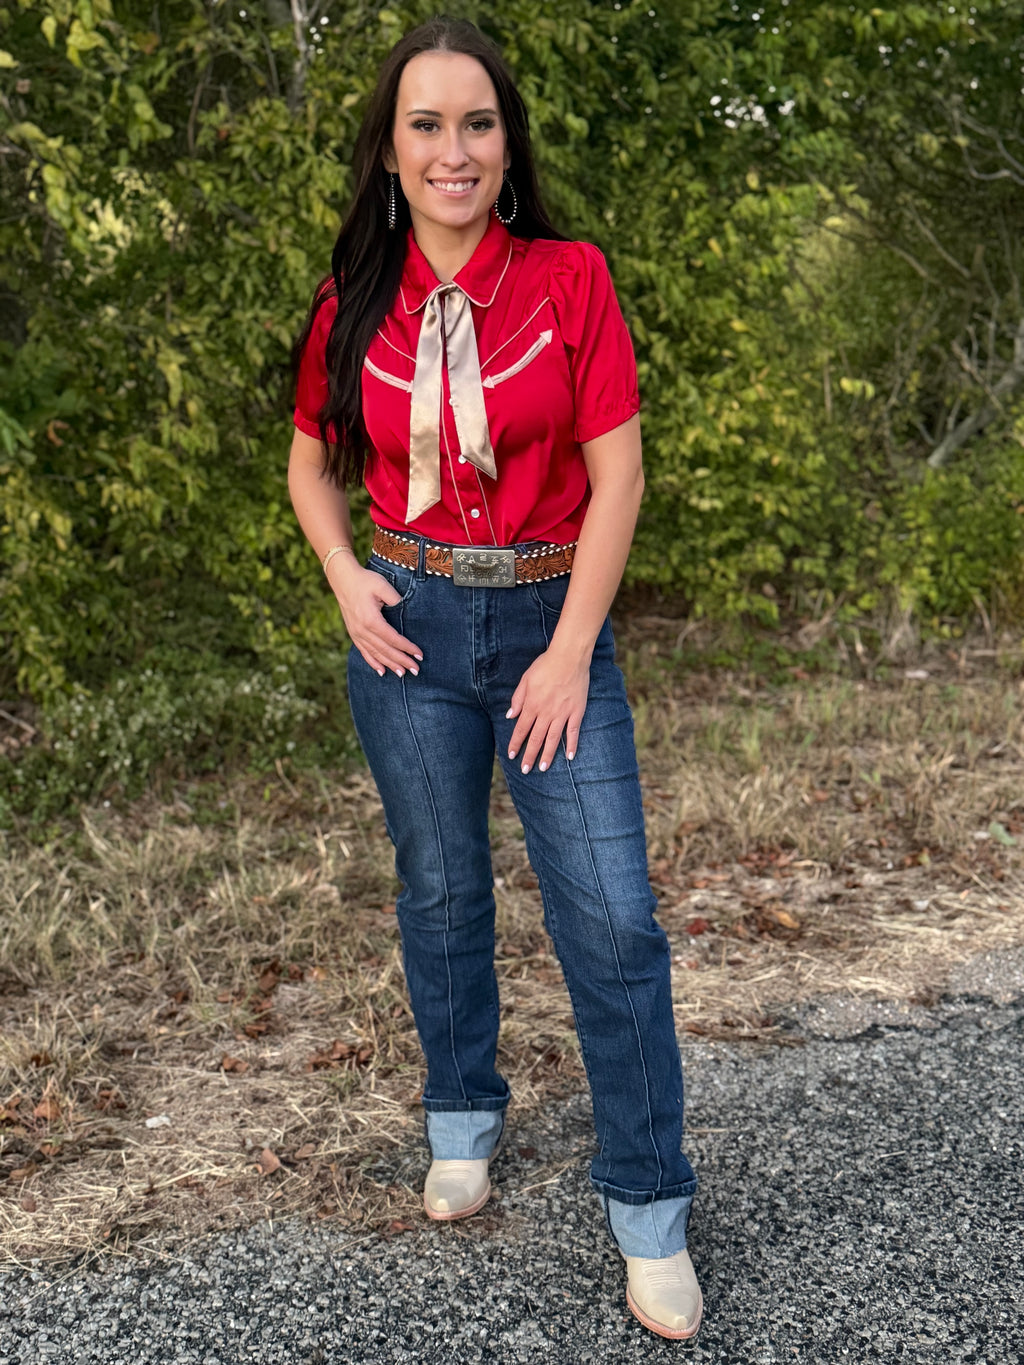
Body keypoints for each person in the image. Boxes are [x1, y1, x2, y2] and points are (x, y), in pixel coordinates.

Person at [288, 16, 701, 1341]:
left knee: (615, 920)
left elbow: (619, 474)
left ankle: (649, 1203)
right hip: (406, 630)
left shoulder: (571, 280)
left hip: (546, 622)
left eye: (477, 122)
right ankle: (461, 1114)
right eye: (426, 124)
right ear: (390, 150)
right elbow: (310, 463)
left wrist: (571, 648)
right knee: (444, 889)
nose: (453, 148)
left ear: (508, 144)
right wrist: (346, 576)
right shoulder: (354, 301)